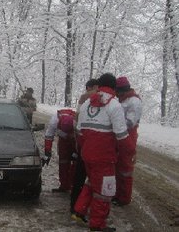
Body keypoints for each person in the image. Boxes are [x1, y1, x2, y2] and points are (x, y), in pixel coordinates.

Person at [73, 73, 132, 232]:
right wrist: (129, 153)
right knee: (105, 191)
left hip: (87, 154)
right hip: (104, 157)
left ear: (99, 86)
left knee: (91, 183)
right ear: (113, 87)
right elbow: (121, 135)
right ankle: (97, 225)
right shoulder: (114, 105)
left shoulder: (86, 104)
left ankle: (79, 211)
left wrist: (83, 149)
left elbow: (78, 131)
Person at [70, 79, 99, 218]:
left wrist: (78, 138)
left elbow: (76, 120)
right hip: (97, 144)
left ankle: (74, 205)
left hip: (82, 140)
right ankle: (88, 208)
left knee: (79, 176)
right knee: (94, 179)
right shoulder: (101, 97)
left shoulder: (83, 97)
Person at [113, 76, 142, 206]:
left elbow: (130, 122)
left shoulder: (134, 101)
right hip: (119, 135)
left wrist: (114, 123)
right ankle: (117, 193)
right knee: (117, 166)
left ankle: (124, 198)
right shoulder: (122, 100)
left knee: (125, 168)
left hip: (128, 136)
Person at [43, 108, 77, 192]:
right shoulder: (54, 121)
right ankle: (64, 185)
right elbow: (49, 136)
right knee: (63, 161)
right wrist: (47, 152)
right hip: (63, 141)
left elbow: (82, 137)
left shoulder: (77, 121)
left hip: (75, 140)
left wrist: (77, 150)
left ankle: (74, 184)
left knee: (76, 162)